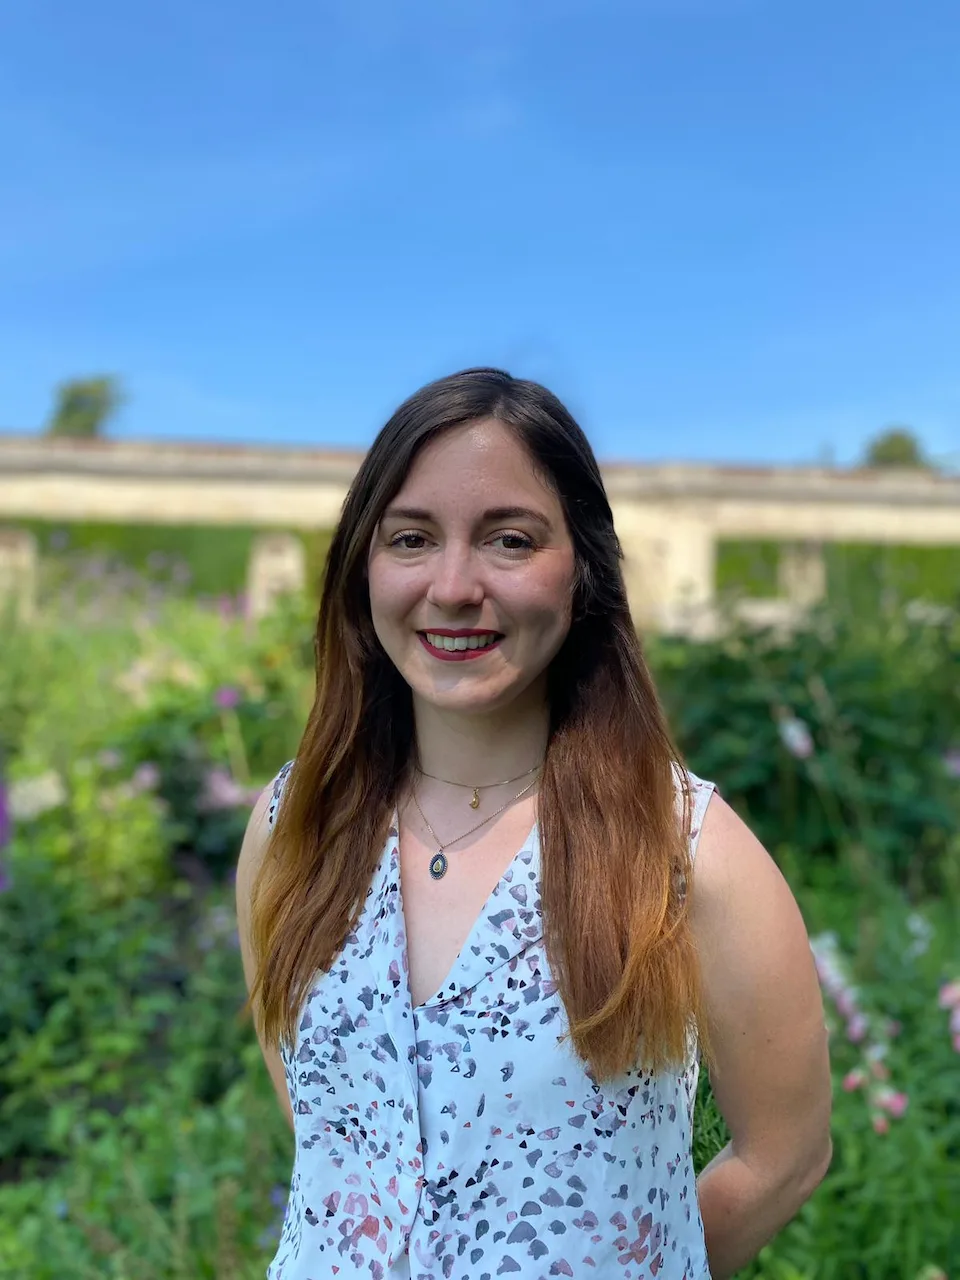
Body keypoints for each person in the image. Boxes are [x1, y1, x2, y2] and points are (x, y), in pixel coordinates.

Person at [236, 368, 832, 1280]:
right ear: (363, 568)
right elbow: (331, 1133)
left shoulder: (686, 852)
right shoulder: (292, 828)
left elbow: (785, 1157)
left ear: (584, 567)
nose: (452, 586)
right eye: (411, 538)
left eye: (509, 539)